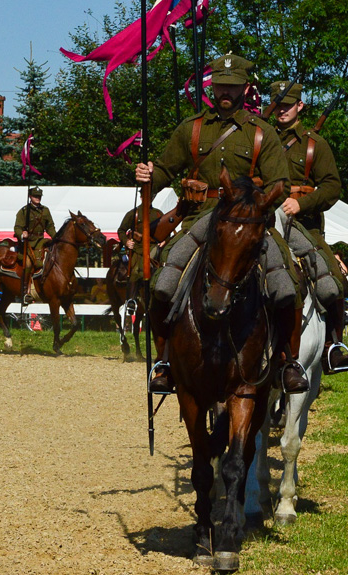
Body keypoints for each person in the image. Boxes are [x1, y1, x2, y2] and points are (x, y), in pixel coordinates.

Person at [134, 54, 307, 395]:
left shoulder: (263, 133)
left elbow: (282, 184)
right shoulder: (192, 128)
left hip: (249, 222)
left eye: (232, 85)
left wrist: (250, 197)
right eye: (220, 84)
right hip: (202, 218)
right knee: (163, 281)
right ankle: (165, 361)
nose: (225, 91)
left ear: (245, 87)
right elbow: (166, 170)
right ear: (212, 86)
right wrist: (149, 174)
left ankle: (288, 361)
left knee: (286, 282)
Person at [269, 79, 348, 374]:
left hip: (303, 227)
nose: (282, 110)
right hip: (263, 224)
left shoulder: (314, 144)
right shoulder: (261, 138)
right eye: (278, 104)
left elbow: (332, 187)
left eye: (288, 105)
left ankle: (333, 346)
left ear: (299, 106)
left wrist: (301, 204)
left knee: (332, 283)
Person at [13, 186, 56, 303]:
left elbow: (50, 226)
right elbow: (17, 228)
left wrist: (56, 238)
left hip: (41, 241)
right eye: (35, 196)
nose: (38, 198)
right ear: (30, 197)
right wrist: (22, 234)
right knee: (27, 264)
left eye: (39, 196)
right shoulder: (24, 211)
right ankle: (24, 292)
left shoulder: (45, 210)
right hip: (28, 244)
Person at [116, 203, 163, 296]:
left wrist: (164, 239)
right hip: (137, 249)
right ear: (141, 197)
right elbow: (121, 230)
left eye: (151, 196)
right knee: (135, 272)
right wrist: (126, 241)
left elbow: (165, 228)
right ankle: (132, 300)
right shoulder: (133, 213)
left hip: (153, 246)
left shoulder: (158, 213)